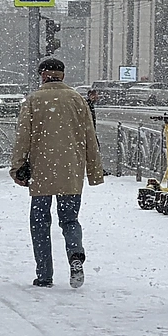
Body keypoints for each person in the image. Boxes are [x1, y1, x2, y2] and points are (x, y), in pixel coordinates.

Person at [10, 58, 103, 288]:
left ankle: (44, 275)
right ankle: (75, 255)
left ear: (43, 75)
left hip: (41, 171)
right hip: (71, 171)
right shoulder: (77, 100)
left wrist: (17, 167)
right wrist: (94, 172)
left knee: (40, 222)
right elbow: (90, 138)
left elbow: (23, 137)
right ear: (63, 75)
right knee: (70, 220)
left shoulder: (33, 100)